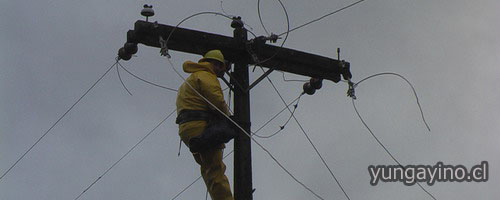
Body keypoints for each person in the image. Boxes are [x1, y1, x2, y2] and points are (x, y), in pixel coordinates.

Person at [175, 50, 234, 200]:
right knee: (215, 169)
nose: (224, 72)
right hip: (201, 127)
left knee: (208, 168)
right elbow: (217, 101)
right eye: (223, 67)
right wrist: (228, 120)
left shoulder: (191, 78)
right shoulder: (207, 76)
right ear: (216, 64)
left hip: (188, 130)